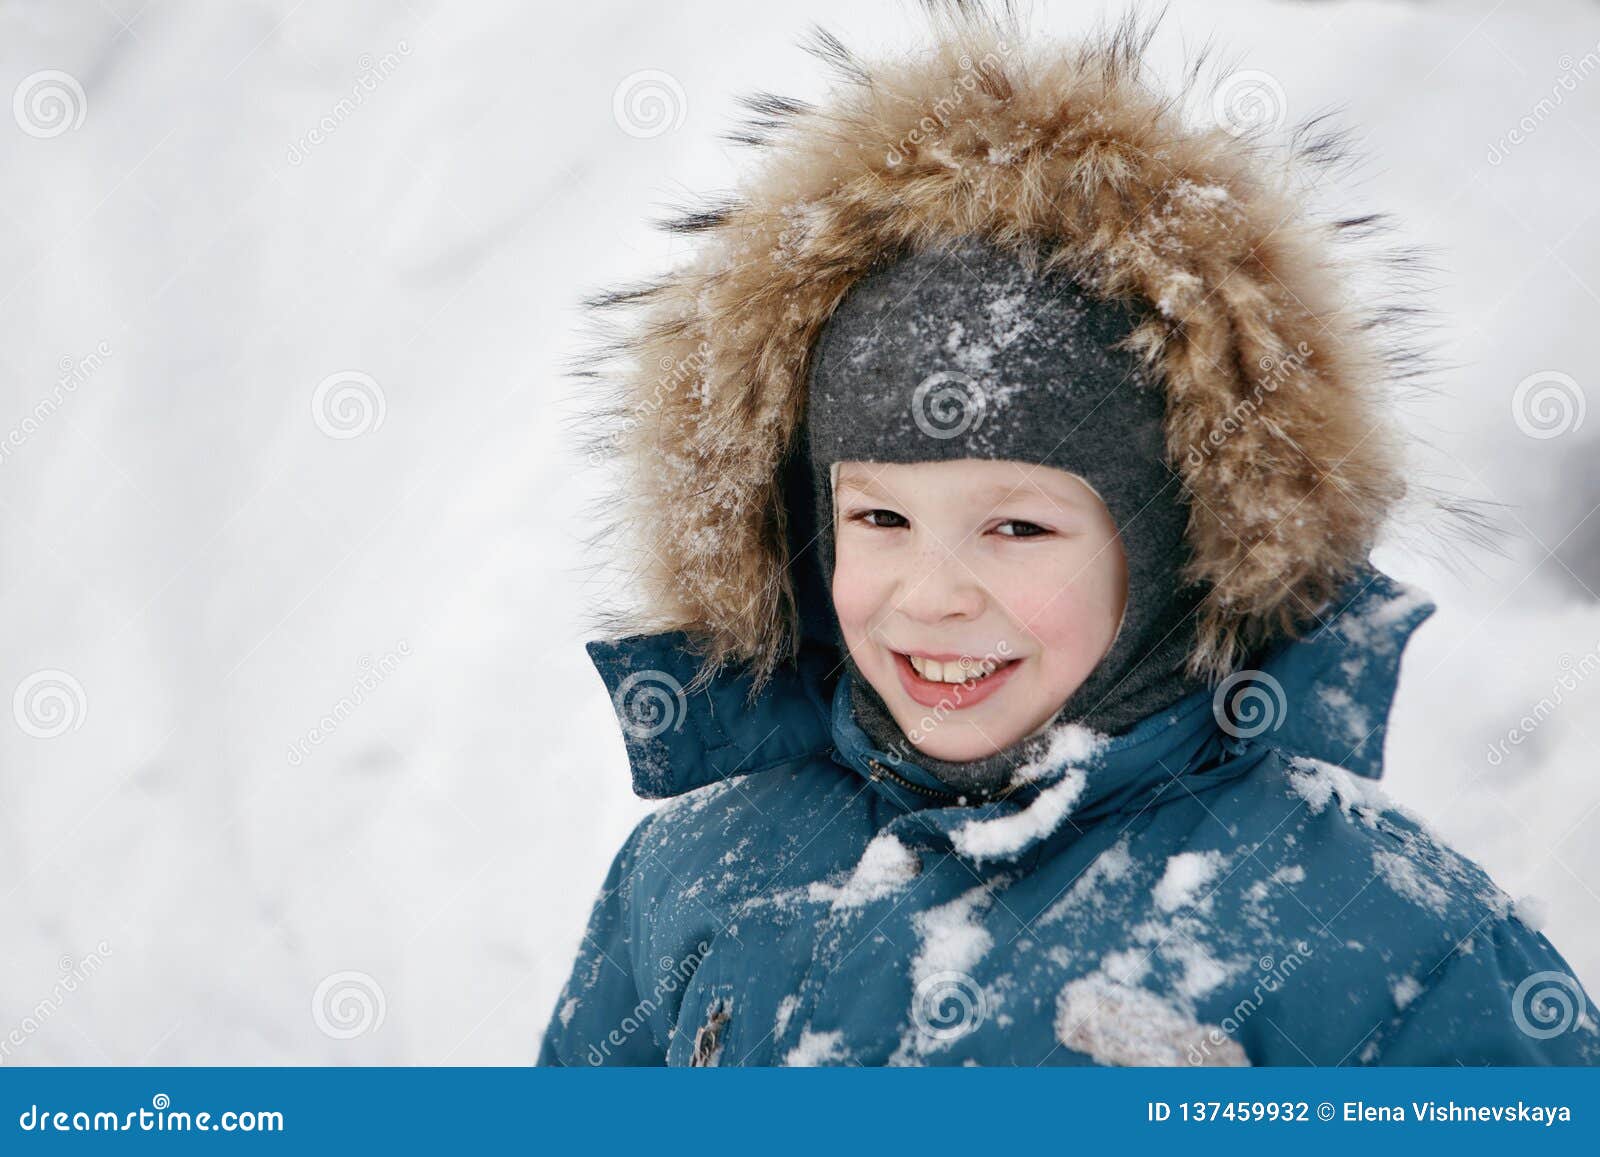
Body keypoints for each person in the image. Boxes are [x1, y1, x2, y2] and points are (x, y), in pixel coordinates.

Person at [537, 7, 1599, 1066]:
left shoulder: (1379, 936)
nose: (932, 593)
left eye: (1016, 525)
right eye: (880, 518)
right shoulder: (694, 872)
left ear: (1182, 545)